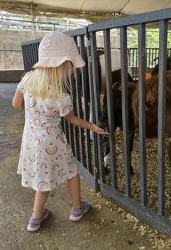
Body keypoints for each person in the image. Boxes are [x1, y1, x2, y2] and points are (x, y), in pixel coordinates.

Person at [12, 31, 108, 232]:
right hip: (53, 141)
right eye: (71, 66)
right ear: (63, 65)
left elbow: (16, 104)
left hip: (31, 139)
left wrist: (33, 117)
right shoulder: (61, 95)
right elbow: (72, 120)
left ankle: (35, 219)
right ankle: (76, 209)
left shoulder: (27, 79)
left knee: (42, 181)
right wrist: (92, 126)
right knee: (72, 172)